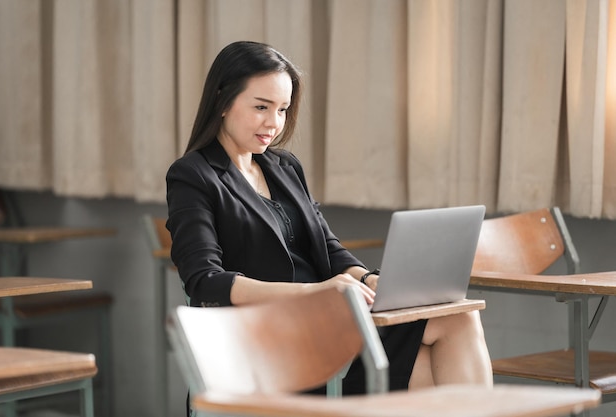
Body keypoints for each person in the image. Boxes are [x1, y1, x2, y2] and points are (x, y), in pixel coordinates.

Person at [166, 40, 493, 414]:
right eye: (261, 107)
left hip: (325, 328)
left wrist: (368, 280)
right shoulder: (193, 175)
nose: (274, 123)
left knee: (458, 316)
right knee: (432, 378)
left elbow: (329, 248)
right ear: (223, 101)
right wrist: (315, 292)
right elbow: (204, 281)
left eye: (283, 110)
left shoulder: (284, 167)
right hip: (268, 347)